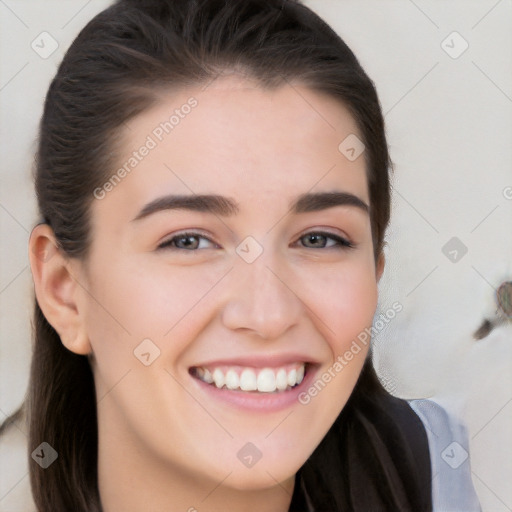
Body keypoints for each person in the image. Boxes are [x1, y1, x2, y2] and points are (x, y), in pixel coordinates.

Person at [0, 0, 482, 510]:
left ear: (375, 268)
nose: (268, 314)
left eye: (319, 239)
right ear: (64, 290)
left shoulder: (465, 469)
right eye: (188, 241)